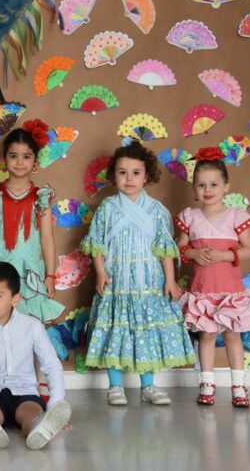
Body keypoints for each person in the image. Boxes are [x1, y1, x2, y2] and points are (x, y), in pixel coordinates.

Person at [81, 142, 196, 406]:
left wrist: (169, 279)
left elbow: (165, 249)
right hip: (116, 282)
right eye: (122, 172)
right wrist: (100, 272)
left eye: (135, 173)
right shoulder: (108, 208)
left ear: (147, 176)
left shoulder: (156, 210)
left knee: (146, 331)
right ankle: (115, 386)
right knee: (114, 329)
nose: (129, 178)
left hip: (149, 283)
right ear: (114, 175)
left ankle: (148, 386)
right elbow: (96, 244)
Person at [175, 147, 250, 408]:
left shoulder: (235, 216)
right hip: (203, 289)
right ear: (194, 189)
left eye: (214, 184)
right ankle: (206, 384)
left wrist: (222, 254)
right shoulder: (190, 217)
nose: (208, 190)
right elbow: (180, 249)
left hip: (229, 289)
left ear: (226, 187)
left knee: (232, 335)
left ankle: (239, 386)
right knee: (206, 336)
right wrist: (194, 252)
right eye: (201, 185)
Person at [0, 262, 71, 451]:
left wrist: (55, 404)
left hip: (24, 392)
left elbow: (51, 365)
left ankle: (40, 427)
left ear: (15, 298)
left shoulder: (32, 326)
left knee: (31, 414)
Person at [0, 120, 65, 324]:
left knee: (24, 325)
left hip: (26, 268)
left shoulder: (40, 197)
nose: (20, 162)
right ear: (5, 159)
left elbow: (46, 238)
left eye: (26, 157)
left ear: (34, 161)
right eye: (14, 156)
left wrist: (50, 275)